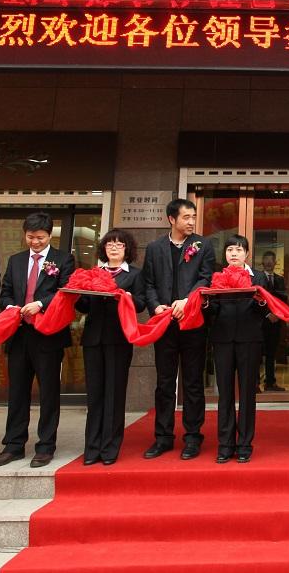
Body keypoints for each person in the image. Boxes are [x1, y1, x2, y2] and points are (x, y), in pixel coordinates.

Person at [0, 211, 76, 469]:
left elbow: (65, 292)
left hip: (48, 335)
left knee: (48, 392)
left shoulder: (63, 259)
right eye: (30, 237)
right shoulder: (16, 261)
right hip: (19, 333)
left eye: (40, 237)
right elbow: (5, 292)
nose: (35, 242)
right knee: (17, 391)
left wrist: (40, 304)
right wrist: (11, 307)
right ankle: (13, 445)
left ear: (49, 235)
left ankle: (46, 446)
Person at [142, 198, 215, 460]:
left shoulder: (203, 245)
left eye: (193, 217)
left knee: (193, 382)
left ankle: (193, 437)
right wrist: (155, 307)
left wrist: (188, 300)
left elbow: (206, 278)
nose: (192, 221)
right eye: (186, 217)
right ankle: (163, 437)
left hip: (192, 322)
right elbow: (148, 283)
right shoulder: (154, 248)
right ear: (171, 219)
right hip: (164, 323)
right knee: (164, 382)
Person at [77, 229, 145, 466]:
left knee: (114, 394)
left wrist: (125, 296)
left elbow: (140, 304)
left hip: (119, 339)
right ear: (103, 249)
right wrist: (79, 291)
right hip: (93, 339)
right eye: (109, 244)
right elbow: (83, 306)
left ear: (127, 249)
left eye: (119, 244)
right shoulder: (94, 273)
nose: (114, 248)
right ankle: (91, 448)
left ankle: (109, 448)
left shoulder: (135, 275)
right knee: (94, 394)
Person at [205, 235, 267, 463]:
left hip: (249, 340)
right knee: (225, 394)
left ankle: (244, 444)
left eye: (239, 250)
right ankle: (225, 444)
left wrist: (261, 301)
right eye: (230, 249)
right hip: (222, 339)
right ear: (225, 254)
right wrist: (206, 303)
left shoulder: (258, 277)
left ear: (247, 254)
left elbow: (265, 309)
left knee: (248, 393)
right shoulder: (217, 277)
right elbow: (211, 311)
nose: (234, 253)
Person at [259, 250, 288, 392]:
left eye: (271, 260)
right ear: (262, 262)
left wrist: (280, 315)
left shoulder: (280, 279)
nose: (269, 262)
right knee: (257, 353)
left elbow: (283, 299)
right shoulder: (257, 278)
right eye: (266, 259)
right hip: (260, 322)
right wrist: (267, 314)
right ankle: (254, 384)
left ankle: (270, 383)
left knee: (271, 353)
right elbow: (256, 298)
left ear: (275, 262)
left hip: (276, 322)